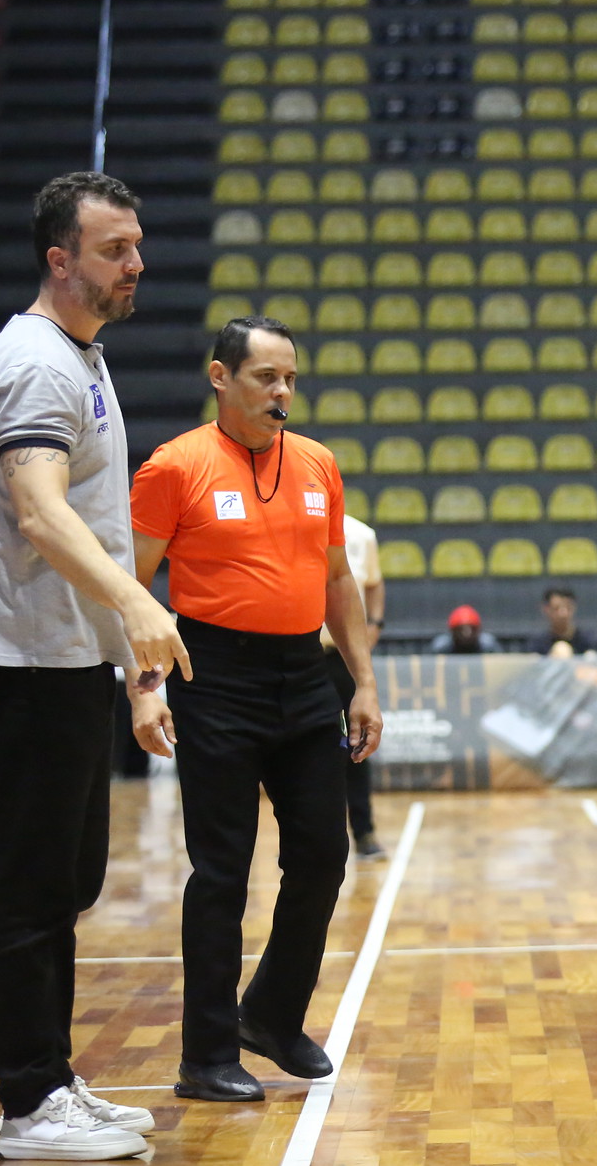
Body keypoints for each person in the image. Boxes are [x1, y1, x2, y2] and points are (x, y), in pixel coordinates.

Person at [0, 172, 179, 1160]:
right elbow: (42, 512)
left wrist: (128, 674)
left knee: (62, 886)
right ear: (60, 259)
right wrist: (137, 605)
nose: (134, 265)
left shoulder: (77, 357)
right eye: (113, 249)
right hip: (21, 663)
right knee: (28, 888)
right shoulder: (39, 367)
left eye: (136, 246)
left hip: (64, 662)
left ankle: (50, 1081)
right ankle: (26, 1109)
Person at [126, 315, 383, 1105]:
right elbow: (129, 587)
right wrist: (142, 687)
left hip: (305, 676)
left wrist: (363, 680)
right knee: (221, 872)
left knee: (322, 855)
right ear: (219, 377)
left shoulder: (318, 464)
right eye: (266, 377)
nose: (282, 393)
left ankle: (270, 1013)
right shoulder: (175, 467)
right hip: (215, 675)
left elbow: (339, 580)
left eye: (290, 379)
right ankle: (205, 1054)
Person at [321, 513, 384, 860]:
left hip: (342, 659)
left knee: (355, 741)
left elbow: (373, 582)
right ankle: (305, 840)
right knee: (301, 748)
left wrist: (374, 623)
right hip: (300, 657)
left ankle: (364, 831)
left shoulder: (361, 535)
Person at [540, 586, 597, 656]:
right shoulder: (538, 645)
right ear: (546, 609)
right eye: (556, 608)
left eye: (568, 607)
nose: (563, 613)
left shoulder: (589, 641)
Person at [430, 604, 500, 655]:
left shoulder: (489, 647)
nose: (467, 633)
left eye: (472, 629)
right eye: (460, 630)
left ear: (478, 630)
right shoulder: (441, 648)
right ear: (453, 631)